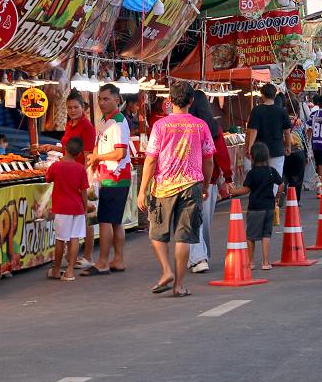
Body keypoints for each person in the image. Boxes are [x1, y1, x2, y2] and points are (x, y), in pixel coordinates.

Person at [137, 81, 215, 298]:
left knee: (157, 233)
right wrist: (206, 185)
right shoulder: (201, 126)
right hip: (192, 185)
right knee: (184, 237)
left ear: (169, 101)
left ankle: (166, 270)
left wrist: (142, 190)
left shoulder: (160, 126)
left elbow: (151, 160)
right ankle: (179, 285)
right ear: (191, 101)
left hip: (163, 187)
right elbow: (209, 160)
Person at [37, 91, 97, 268]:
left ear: (83, 107)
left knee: (85, 217)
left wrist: (82, 179)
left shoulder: (87, 127)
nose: (72, 110)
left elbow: (87, 156)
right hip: (68, 174)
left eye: (76, 107)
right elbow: (67, 146)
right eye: (69, 107)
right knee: (74, 222)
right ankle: (72, 259)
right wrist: (53, 147)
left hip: (79, 175)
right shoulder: (70, 124)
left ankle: (86, 257)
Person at [82, 84, 130, 276]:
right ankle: (118, 259)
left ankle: (102, 261)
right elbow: (98, 145)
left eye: (106, 99)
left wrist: (98, 158)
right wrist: (95, 158)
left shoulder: (118, 122)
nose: (102, 103)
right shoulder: (104, 120)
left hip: (115, 177)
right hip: (110, 176)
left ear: (117, 99)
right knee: (116, 221)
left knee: (105, 220)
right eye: (100, 99)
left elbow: (120, 152)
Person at [187, 90, 233, 274]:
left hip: (190, 179)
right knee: (203, 221)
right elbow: (221, 153)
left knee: (192, 221)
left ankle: (198, 257)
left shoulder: (188, 126)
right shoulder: (213, 127)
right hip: (210, 180)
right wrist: (227, 177)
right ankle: (201, 256)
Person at [229, 142, 283, 270]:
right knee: (266, 235)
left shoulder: (252, 173)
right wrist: (277, 197)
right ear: (267, 156)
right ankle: (265, 262)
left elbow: (246, 190)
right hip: (269, 207)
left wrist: (232, 191)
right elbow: (281, 185)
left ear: (252, 157)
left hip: (255, 208)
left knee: (251, 237)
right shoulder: (271, 171)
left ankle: (251, 262)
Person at [44, 137, 90, 281]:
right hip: (77, 207)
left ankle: (57, 270)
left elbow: (48, 179)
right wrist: (85, 209)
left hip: (62, 207)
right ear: (80, 153)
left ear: (65, 149)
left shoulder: (56, 166)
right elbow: (84, 192)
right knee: (74, 238)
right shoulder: (81, 168)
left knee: (60, 239)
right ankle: (70, 271)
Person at [247, 83, 291, 176]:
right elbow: (287, 133)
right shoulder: (282, 111)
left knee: (259, 179)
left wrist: (249, 148)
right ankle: (273, 191)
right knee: (275, 179)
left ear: (262, 95)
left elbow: (253, 131)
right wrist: (288, 146)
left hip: (259, 151)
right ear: (275, 95)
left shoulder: (256, 110)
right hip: (277, 150)